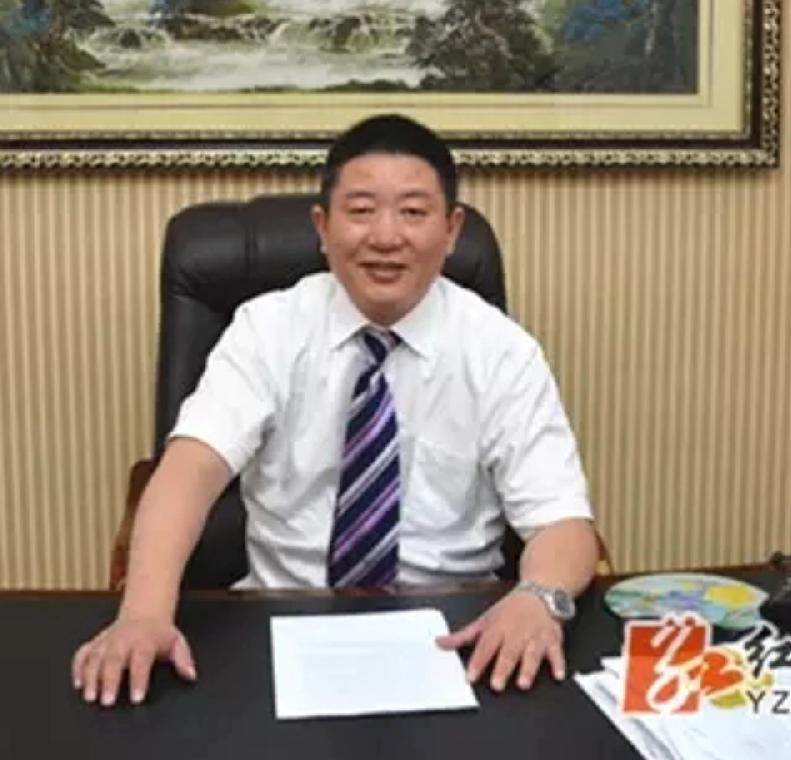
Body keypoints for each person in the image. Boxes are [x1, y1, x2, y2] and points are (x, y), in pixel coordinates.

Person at [72, 113, 599, 708]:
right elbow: (188, 471)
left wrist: (538, 598)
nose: (386, 236)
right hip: (280, 619)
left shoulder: (500, 351)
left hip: (456, 631)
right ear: (323, 227)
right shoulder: (267, 329)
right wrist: (143, 615)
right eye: (362, 210)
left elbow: (563, 522)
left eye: (414, 212)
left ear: (452, 230)